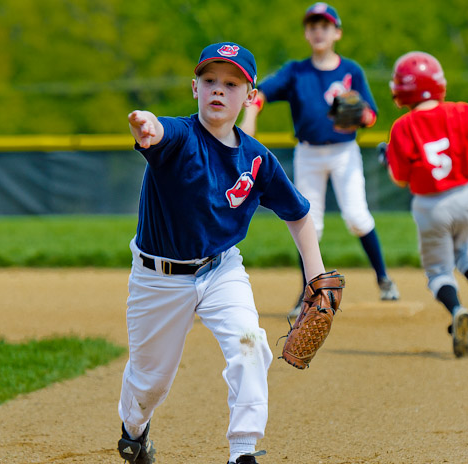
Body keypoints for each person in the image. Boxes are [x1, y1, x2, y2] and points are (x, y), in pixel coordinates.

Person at [118, 42, 330, 464]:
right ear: (194, 88)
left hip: (221, 270)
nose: (219, 90)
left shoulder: (257, 159)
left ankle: (243, 451)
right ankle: (134, 432)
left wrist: (316, 279)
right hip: (158, 278)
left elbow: (299, 216)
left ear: (250, 96)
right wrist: (147, 127)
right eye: (210, 80)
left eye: (231, 83)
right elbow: (159, 132)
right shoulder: (179, 137)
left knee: (251, 345)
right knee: (150, 382)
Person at [240, 2, 399, 318]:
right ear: (306, 33)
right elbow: (260, 93)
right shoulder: (296, 71)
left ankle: (384, 279)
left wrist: (361, 115)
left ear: (337, 32)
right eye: (312, 25)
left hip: (344, 153)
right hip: (309, 154)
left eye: (324, 25)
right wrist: (251, 112)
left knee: (357, 216)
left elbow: (370, 114)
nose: (318, 31)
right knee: (308, 222)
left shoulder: (350, 70)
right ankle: (307, 292)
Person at [382, 50, 468, 358]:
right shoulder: (462, 111)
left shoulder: (403, 126)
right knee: (465, 249)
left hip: (431, 206)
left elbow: (400, 180)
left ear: (403, 90)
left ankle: (456, 310)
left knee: (439, 270)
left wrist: (386, 157)